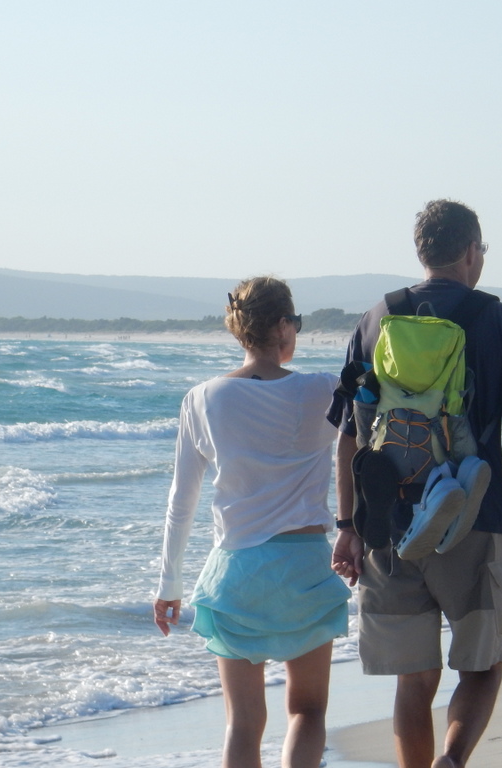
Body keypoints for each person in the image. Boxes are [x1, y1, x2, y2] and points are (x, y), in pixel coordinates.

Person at [330, 200, 502, 768]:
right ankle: (452, 762)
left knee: (414, 677)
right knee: (482, 666)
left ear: (421, 253)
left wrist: (347, 526)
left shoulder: (376, 319)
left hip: (389, 521)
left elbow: (347, 437)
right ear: (470, 252)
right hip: (473, 517)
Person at [153, 276, 350, 768]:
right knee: (307, 710)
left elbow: (183, 499)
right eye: (297, 323)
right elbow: (362, 448)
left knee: (242, 723)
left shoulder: (202, 398)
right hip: (305, 567)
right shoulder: (323, 390)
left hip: (237, 571)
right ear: (283, 326)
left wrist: (168, 584)